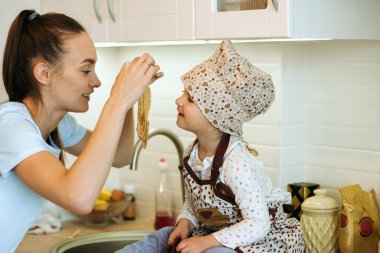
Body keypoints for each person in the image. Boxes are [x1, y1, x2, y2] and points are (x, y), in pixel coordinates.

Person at [116, 40, 304, 253]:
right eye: (183, 93)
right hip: (215, 233)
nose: (178, 101)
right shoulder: (192, 154)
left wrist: (205, 242)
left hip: (258, 241)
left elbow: (258, 224)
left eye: (190, 99)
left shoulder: (236, 163)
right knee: (163, 236)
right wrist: (185, 222)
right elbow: (196, 202)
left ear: (216, 116)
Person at [0, 10, 163, 252]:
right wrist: (117, 101)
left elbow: (120, 156)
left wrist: (128, 101)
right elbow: (78, 198)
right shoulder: (11, 125)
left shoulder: (58, 125)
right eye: (86, 70)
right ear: (44, 73)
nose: (96, 81)